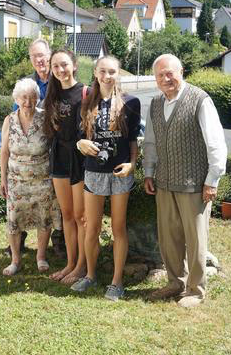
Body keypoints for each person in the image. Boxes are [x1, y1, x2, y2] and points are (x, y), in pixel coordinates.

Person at [143, 54, 227, 308]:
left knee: (196, 239)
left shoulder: (200, 100)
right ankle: (175, 282)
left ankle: (196, 290)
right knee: (169, 237)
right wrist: (148, 171)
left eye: (170, 73)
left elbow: (216, 143)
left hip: (195, 184)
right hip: (165, 182)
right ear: (156, 79)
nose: (166, 78)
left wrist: (213, 179)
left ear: (182, 72)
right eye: (161, 75)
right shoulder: (155, 104)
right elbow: (150, 142)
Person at [72, 56, 140, 301]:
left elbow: (132, 139)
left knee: (118, 228)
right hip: (93, 172)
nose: (107, 75)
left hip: (119, 172)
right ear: (96, 73)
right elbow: (79, 136)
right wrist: (81, 143)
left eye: (112, 71)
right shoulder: (87, 101)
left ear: (118, 73)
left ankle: (117, 281)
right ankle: (90, 275)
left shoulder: (131, 103)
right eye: (103, 71)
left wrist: (132, 163)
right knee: (91, 227)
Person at [8, 38, 66, 258]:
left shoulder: (59, 79)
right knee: (22, 198)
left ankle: (59, 243)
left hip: (56, 149)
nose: (39, 60)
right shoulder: (27, 84)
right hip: (30, 151)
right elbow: (16, 114)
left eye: (42, 55)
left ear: (49, 55)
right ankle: (18, 242)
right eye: (34, 56)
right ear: (30, 60)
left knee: (54, 201)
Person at [0, 78, 61, 276]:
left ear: (37, 98)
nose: (28, 101)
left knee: (44, 218)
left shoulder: (46, 117)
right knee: (14, 220)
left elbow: (59, 144)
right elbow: (4, 152)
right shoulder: (9, 120)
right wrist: (3, 179)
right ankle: (15, 260)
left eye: (32, 97)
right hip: (16, 180)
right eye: (24, 97)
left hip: (42, 179)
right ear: (16, 99)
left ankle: (40, 257)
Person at [42, 49, 87, 285]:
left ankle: (82, 266)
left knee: (81, 217)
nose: (60, 70)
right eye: (56, 66)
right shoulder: (52, 94)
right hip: (59, 157)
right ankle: (71, 263)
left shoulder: (86, 92)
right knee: (67, 215)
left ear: (74, 65)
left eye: (64, 65)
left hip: (79, 161)